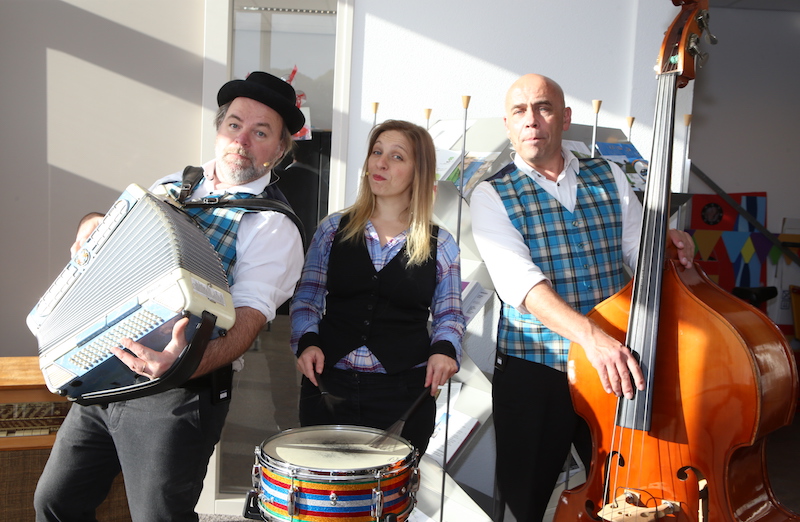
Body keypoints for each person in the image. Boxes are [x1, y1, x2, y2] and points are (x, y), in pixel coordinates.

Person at [33, 71, 306, 522]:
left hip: (179, 392)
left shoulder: (274, 226)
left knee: (158, 517)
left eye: (261, 133)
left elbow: (248, 322)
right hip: (107, 370)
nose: (242, 140)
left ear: (279, 150)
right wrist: (91, 224)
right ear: (219, 130)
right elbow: (117, 247)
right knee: (56, 502)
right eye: (234, 124)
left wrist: (182, 365)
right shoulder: (174, 184)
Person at [469, 74, 695, 521]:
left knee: (624, 494)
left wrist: (667, 246)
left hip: (609, 369)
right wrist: (593, 339)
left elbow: (639, 253)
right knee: (524, 503)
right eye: (519, 111)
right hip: (535, 371)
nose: (531, 120)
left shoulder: (608, 174)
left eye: (543, 107)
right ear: (508, 124)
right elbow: (522, 286)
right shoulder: (490, 194)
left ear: (565, 117)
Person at [290, 120, 465, 455]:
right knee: (325, 484)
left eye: (397, 156)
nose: (381, 163)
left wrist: (444, 350)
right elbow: (307, 299)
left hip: (403, 395)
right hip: (329, 385)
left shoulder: (440, 244)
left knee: (392, 488)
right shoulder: (332, 230)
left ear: (418, 171)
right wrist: (307, 342)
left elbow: (450, 315)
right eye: (376, 152)